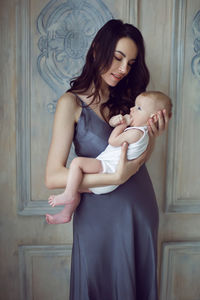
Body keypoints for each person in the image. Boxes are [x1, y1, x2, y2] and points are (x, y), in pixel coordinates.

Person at [45, 19, 170, 300]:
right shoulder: (71, 104)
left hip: (139, 209)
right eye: (117, 58)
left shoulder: (130, 101)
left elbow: (136, 159)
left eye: (131, 63)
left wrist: (153, 136)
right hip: (96, 216)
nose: (124, 69)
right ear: (96, 50)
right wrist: (114, 178)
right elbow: (53, 176)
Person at [46, 91, 172, 224]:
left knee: (77, 164)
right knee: (75, 183)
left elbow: (112, 140)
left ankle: (69, 195)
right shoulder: (138, 132)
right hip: (110, 179)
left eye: (138, 108)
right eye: (134, 106)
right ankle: (66, 213)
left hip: (108, 169)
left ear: (152, 118)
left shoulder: (136, 133)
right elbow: (51, 178)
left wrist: (122, 125)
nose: (132, 109)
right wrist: (117, 121)